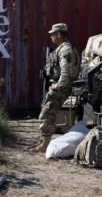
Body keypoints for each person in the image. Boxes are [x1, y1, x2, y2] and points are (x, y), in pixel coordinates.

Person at [31, 23, 80, 153]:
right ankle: (43, 141)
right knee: (47, 113)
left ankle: (44, 146)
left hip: (61, 88)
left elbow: (66, 72)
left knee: (46, 114)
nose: (51, 36)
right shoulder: (63, 48)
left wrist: (58, 86)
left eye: (53, 34)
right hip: (59, 86)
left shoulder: (65, 50)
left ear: (59, 35)